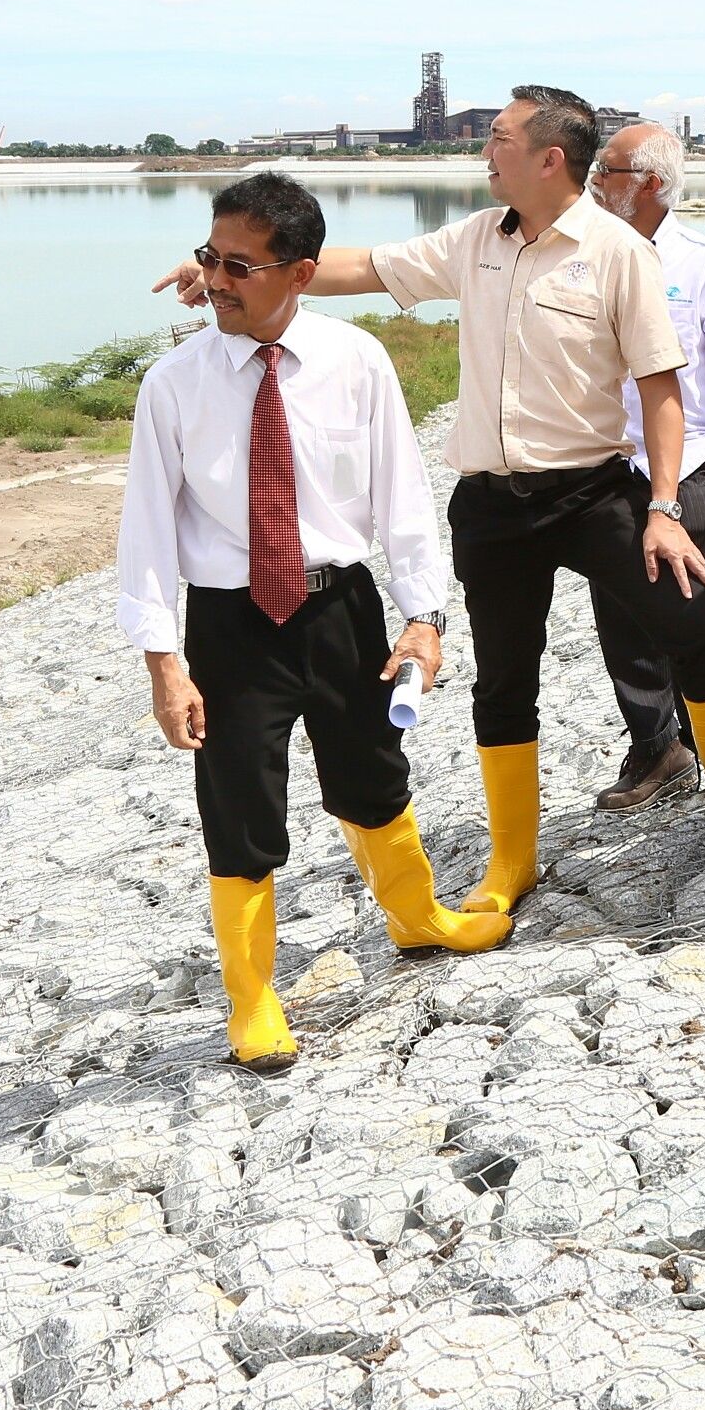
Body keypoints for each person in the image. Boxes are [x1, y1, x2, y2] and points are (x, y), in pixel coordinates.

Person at [156, 88, 705, 928]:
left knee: (696, 615)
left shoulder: (618, 253)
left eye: (500, 139)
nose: (484, 152)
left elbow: (660, 388)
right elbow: (361, 268)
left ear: (550, 158)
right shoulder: (476, 239)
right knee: (505, 677)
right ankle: (512, 856)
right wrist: (229, 274)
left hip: (592, 490)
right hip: (493, 506)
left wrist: (660, 506)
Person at [119, 173, 510, 1074]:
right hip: (229, 624)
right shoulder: (172, 385)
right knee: (238, 806)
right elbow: (143, 530)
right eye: (210, 257)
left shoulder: (356, 359)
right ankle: (252, 998)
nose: (213, 279)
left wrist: (423, 618)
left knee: (373, 769)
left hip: (339, 606)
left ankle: (418, 917)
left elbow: (401, 498)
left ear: (299, 272)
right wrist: (162, 663)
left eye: (238, 266)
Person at [583, 120, 705, 809]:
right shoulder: (582, 255)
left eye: (608, 171)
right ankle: (656, 748)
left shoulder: (702, 264)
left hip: (686, 462)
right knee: (619, 614)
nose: (595, 181)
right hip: (602, 460)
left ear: (651, 184)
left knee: (688, 612)